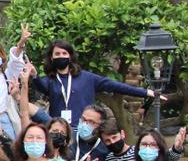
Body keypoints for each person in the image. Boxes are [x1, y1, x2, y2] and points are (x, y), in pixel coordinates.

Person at [31, 38, 160, 124]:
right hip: (59, 130)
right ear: (51, 58)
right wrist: (34, 75)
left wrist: (145, 92)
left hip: (85, 128)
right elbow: (40, 86)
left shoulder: (87, 78)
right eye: (57, 54)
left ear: (70, 56)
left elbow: (114, 86)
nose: (61, 56)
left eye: (64, 53)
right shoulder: (50, 80)